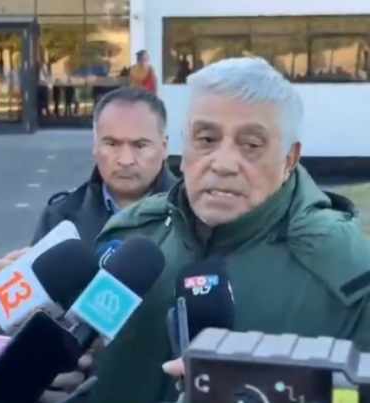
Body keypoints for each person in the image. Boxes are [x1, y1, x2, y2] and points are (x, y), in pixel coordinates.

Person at [79, 57, 370, 403]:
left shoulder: (347, 278)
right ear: (183, 149)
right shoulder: (131, 237)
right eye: (206, 139)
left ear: (289, 159)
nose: (224, 163)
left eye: (251, 145)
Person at [32, 87, 177, 245]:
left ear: (164, 147)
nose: (126, 160)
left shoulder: (197, 217)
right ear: (95, 146)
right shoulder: (59, 218)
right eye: (112, 144)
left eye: (140, 145)